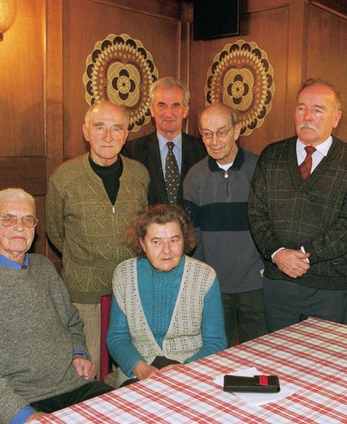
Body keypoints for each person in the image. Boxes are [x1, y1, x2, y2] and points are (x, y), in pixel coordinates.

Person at [0, 188, 113, 424]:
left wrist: (79, 352)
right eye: (8, 219)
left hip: (72, 388)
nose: (19, 226)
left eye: (27, 219)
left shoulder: (44, 267)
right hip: (12, 405)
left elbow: (72, 321)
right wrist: (26, 416)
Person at [248, 79, 347, 332]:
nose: (307, 117)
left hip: (329, 288)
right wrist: (278, 253)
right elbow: (256, 213)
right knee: (277, 362)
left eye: (317, 110)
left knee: (328, 365)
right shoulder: (272, 155)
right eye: (301, 108)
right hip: (278, 282)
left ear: (336, 118)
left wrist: (302, 254)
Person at [46, 101, 149, 368]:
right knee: (88, 369)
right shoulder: (64, 177)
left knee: (131, 367)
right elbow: (56, 232)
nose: (108, 136)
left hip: (130, 290)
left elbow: (145, 229)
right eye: (99, 127)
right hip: (84, 293)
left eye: (116, 128)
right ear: (85, 131)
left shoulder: (139, 174)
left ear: (126, 135)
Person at [106, 204, 227, 387]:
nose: (167, 250)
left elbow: (216, 341)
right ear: (142, 243)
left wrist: (185, 369)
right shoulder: (124, 275)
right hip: (138, 371)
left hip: (192, 368)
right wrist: (140, 368)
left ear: (184, 241)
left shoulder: (204, 277)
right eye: (156, 241)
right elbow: (117, 337)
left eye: (174, 240)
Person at [183, 103, 268, 346]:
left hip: (256, 284)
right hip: (213, 287)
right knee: (217, 355)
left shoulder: (260, 168)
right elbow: (192, 236)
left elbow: (271, 227)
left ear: (237, 130)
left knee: (260, 352)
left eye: (222, 132)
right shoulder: (194, 176)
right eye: (207, 134)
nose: (214, 141)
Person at [122, 77, 207, 206]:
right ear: (151, 109)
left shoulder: (204, 150)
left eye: (175, 106)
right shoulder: (131, 152)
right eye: (161, 105)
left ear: (185, 111)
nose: (168, 113)